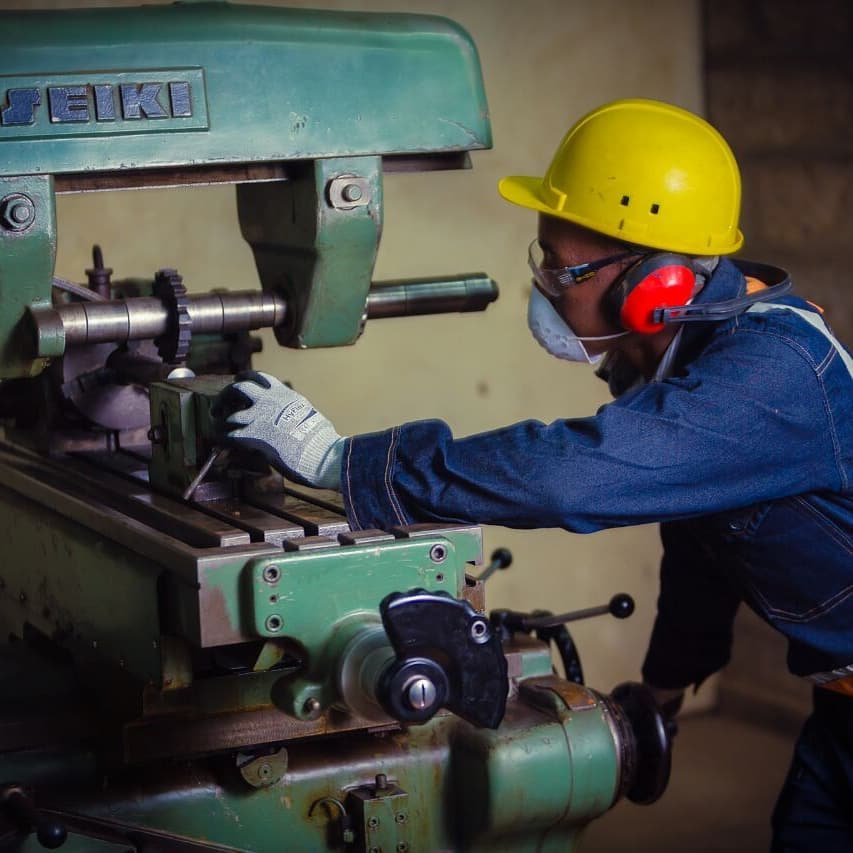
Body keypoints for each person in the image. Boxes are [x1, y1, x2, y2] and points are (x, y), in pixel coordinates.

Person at [219, 99, 852, 850]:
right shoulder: (697, 366)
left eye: (561, 264)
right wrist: (664, 683)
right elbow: (703, 548)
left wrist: (342, 461)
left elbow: (572, 472)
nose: (546, 283)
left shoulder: (771, 373)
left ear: (655, 286)